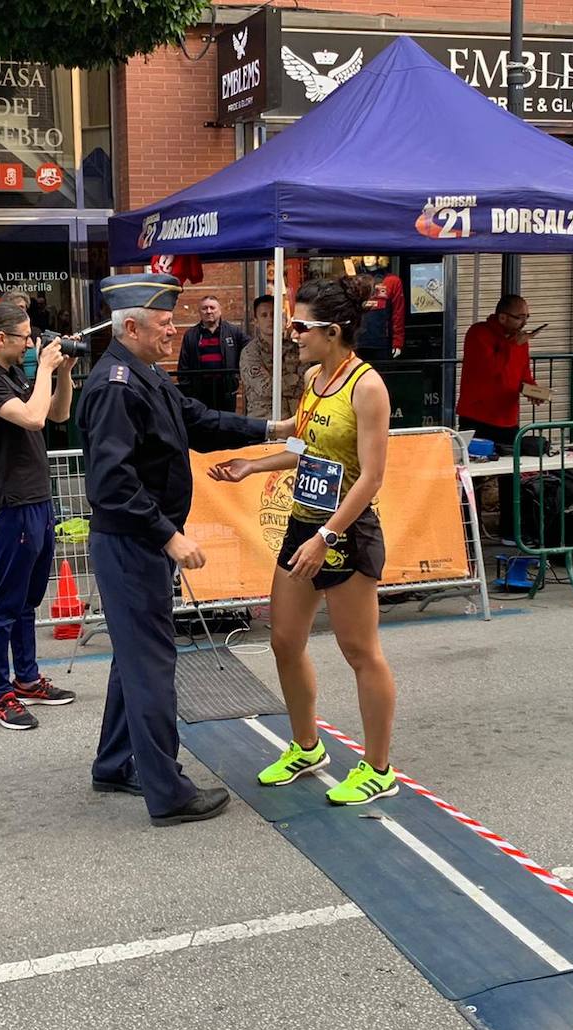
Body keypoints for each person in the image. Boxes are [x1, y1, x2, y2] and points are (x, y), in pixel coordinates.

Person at [78, 273, 287, 826]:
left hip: (139, 543)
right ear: (130, 327)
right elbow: (112, 483)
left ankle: (116, 763)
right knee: (152, 664)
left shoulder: (146, 374)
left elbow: (196, 419)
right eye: (165, 323)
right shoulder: (116, 387)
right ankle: (167, 792)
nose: (175, 331)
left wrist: (270, 426)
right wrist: (169, 536)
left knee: (134, 656)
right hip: (133, 544)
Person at [210, 276, 398, 805]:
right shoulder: (317, 377)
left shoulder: (368, 386)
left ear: (332, 330)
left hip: (345, 531)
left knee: (361, 652)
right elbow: (303, 440)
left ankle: (378, 767)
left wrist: (326, 535)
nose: (291, 334)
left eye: (300, 326)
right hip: (302, 523)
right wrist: (253, 464)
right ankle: (307, 746)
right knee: (284, 641)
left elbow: (371, 477)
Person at [0, 302, 78, 730]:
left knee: (29, 599)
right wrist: (45, 366)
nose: (31, 343)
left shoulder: (13, 374)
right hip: (12, 502)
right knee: (5, 604)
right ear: (1, 338)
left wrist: (62, 369)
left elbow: (57, 415)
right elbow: (31, 418)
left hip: (39, 499)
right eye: (25, 337)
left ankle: (27, 679)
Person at [456, 294, 544, 542]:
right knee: (471, 477)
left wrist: (533, 390)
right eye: (519, 317)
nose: (524, 323)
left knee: (511, 477)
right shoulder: (479, 333)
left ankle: (510, 531)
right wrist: (511, 345)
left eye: (527, 317)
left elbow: (523, 372)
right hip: (478, 415)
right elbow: (490, 369)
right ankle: (467, 533)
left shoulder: (520, 341)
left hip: (507, 416)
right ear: (502, 316)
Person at [239, 293, 306, 420]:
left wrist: (283, 383)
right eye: (264, 315)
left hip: (296, 419)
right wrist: (294, 378)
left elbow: (307, 383)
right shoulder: (250, 353)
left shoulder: (296, 349)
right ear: (256, 322)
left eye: (273, 314)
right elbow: (265, 389)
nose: (270, 319)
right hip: (263, 421)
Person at [177, 295, 249, 411]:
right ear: (199, 312)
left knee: (227, 425)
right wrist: (189, 391)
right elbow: (183, 366)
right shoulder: (190, 335)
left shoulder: (233, 331)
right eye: (204, 308)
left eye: (212, 308)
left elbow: (250, 348)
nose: (208, 311)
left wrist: (237, 375)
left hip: (226, 391)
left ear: (220, 311)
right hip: (200, 393)